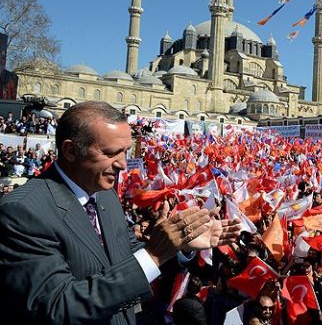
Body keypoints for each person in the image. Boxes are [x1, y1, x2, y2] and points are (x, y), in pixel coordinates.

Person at [0, 101, 241, 324]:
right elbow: (58, 307)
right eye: (111, 153)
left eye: (125, 151)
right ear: (71, 151)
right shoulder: (22, 213)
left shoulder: (104, 196)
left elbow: (129, 259)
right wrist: (155, 255)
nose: (123, 164)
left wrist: (182, 245)